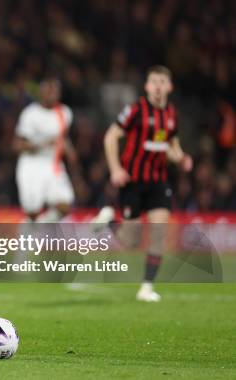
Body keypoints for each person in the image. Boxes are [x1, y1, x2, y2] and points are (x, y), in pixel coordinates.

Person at [93, 65, 193, 302]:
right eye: (153, 82)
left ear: (169, 87)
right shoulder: (135, 110)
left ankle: (146, 287)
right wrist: (116, 169)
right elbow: (111, 136)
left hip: (158, 182)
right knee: (131, 241)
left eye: (162, 82)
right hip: (133, 182)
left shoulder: (171, 115)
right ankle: (109, 220)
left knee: (159, 234)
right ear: (147, 86)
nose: (158, 86)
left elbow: (170, 146)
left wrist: (182, 158)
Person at [13, 76, 76, 222]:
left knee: (65, 205)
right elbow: (17, 145)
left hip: (53, 164)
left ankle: (37, 228)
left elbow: (63, 138)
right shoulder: (30, 114)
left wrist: (70, 151)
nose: (53, 93)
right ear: (41, 93)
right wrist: (43, 144)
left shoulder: (65, 113)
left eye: (55, 90)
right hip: (31, 164)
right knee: (32, 211)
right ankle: (31, 232)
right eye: (49, 90)